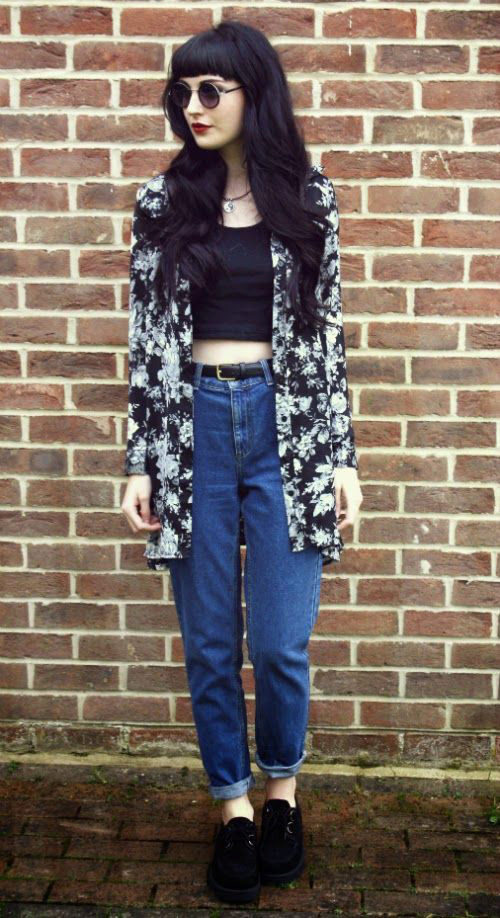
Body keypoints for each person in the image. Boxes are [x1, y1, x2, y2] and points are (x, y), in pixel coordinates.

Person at [121, 20, 363, 905]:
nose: (193, 105)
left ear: (253, 95)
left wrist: (342, 457)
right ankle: (231, 806)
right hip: (191, 427)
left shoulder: (309, 198)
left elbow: (327, 340)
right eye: (183, 90)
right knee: (211, 643)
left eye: (211, 90)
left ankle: (282, 795)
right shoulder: (161, 203)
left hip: (286, 429)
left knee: (280, 642)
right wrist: (141, 459)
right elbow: (146, 341)